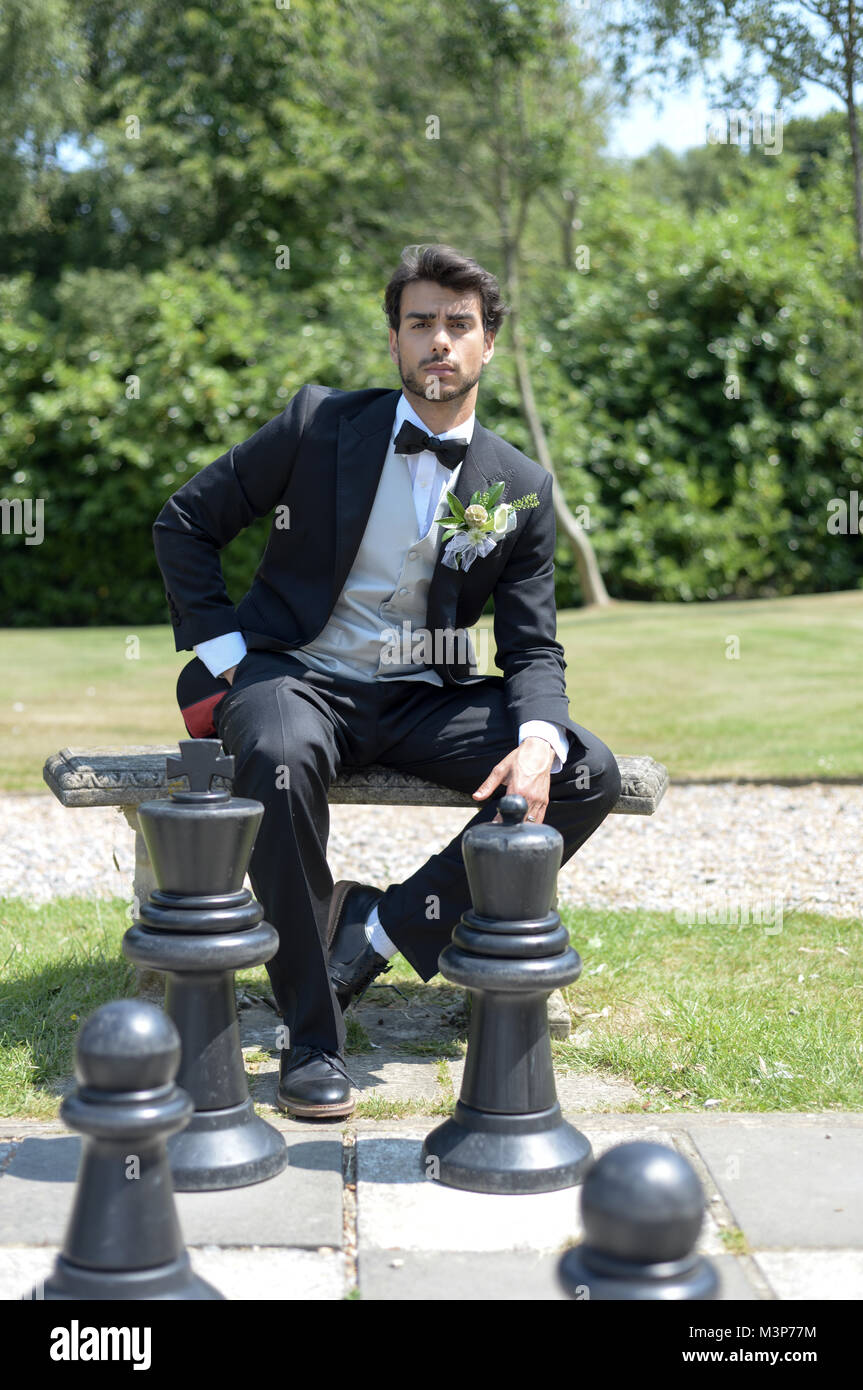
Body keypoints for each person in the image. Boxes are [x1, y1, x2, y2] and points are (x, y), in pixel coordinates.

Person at [153, 243, 621, 1120]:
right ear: (395, 340)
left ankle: (378, 930)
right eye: (420, 324)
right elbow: (185, 522)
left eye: (458, 325)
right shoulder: (318, 423)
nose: (438, 341)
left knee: (585, 768)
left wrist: (533, 739)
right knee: (281, 758)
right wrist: (230, 659)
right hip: (294, 675)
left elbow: (532, 648)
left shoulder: (518, 487)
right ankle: (311, 1034)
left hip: (421, 696)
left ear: (487, 344)